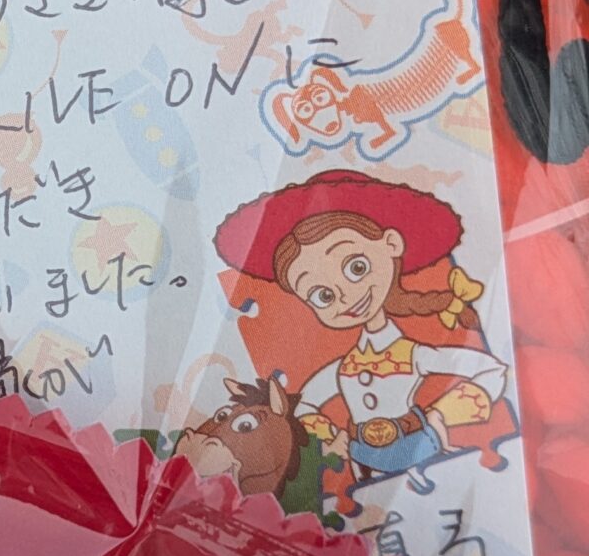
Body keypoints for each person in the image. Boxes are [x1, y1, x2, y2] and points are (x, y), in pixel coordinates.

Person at [215, 170, 507, 500]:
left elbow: (491, 370)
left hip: (421, 447)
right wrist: (332, 437)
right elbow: (304, 405)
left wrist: (442, 415)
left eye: (357, 267)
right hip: (360, 462)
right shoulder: (343, 368)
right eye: (322, 296)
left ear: (391, 244)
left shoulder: (413, 353)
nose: (345, 298)